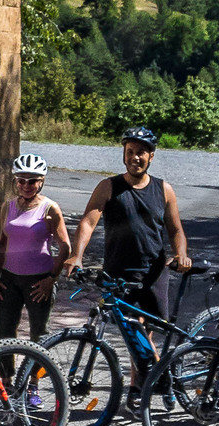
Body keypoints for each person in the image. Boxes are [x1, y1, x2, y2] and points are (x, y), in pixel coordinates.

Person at [67, 126, 192, 341]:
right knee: (134, 336)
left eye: (141, 152)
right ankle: (153, 373)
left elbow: (175, 229)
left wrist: (181, 254)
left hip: (153, 273)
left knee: (145, 336)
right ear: (124, 154)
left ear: (151, 156)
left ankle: (153, 373)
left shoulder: (164, 189)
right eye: (130, 151)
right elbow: (88, 223)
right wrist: (77, 256)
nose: (135, 157)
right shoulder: (108, 187)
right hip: (119, 274)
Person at [0, 151, 71, 341]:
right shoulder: (8, 206)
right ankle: (5, 372)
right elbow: (2, 243)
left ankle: (41, 371)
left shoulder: (50, 208)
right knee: (4, 332)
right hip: (9, 279)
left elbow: (65, 247)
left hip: (38, 280)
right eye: (21, 180)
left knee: (40, 334)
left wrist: (52, 278)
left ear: (41, 181)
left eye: (32, 181)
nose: (26, 186)